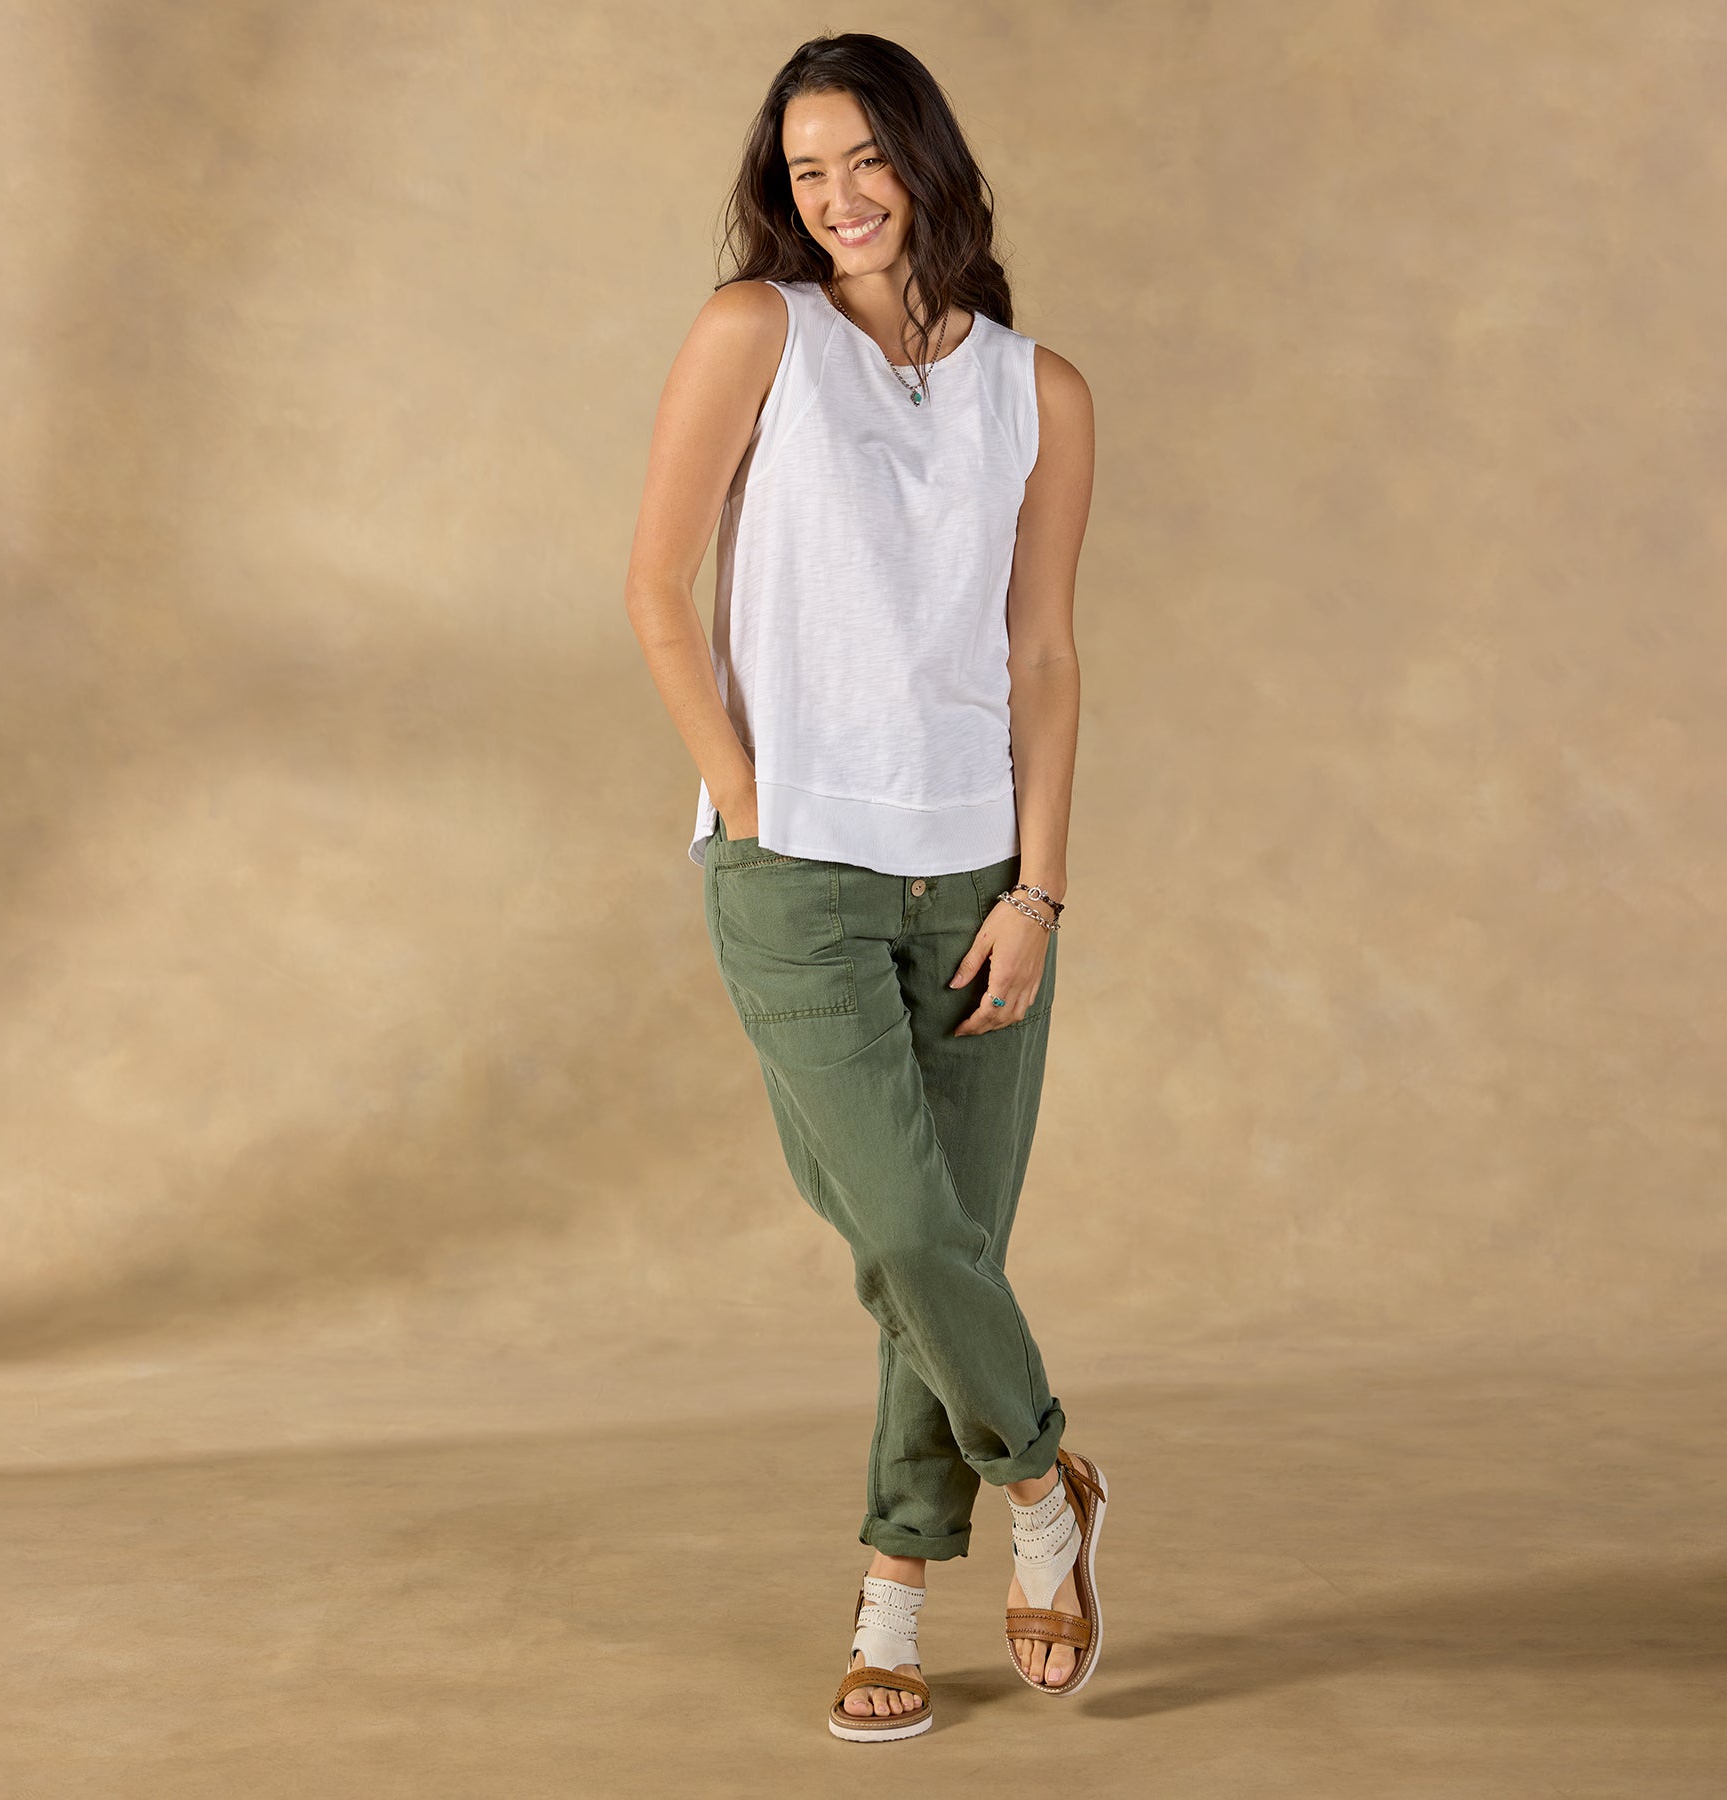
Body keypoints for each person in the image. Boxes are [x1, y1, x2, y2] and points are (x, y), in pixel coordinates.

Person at [625, 32, 1106, 1741]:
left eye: (864, 160)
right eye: (805, 169)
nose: (836, 197)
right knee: (902, 1230)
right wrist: (753, 800)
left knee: (945, 1256)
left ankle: (893, 1598)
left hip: (977, 876)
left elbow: (1042, 657)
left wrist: (1039, 894)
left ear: (926, 158)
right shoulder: (757, 332)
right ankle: (1046, 1482)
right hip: (797, 873)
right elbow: (656, 587)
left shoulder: (1040, 391)